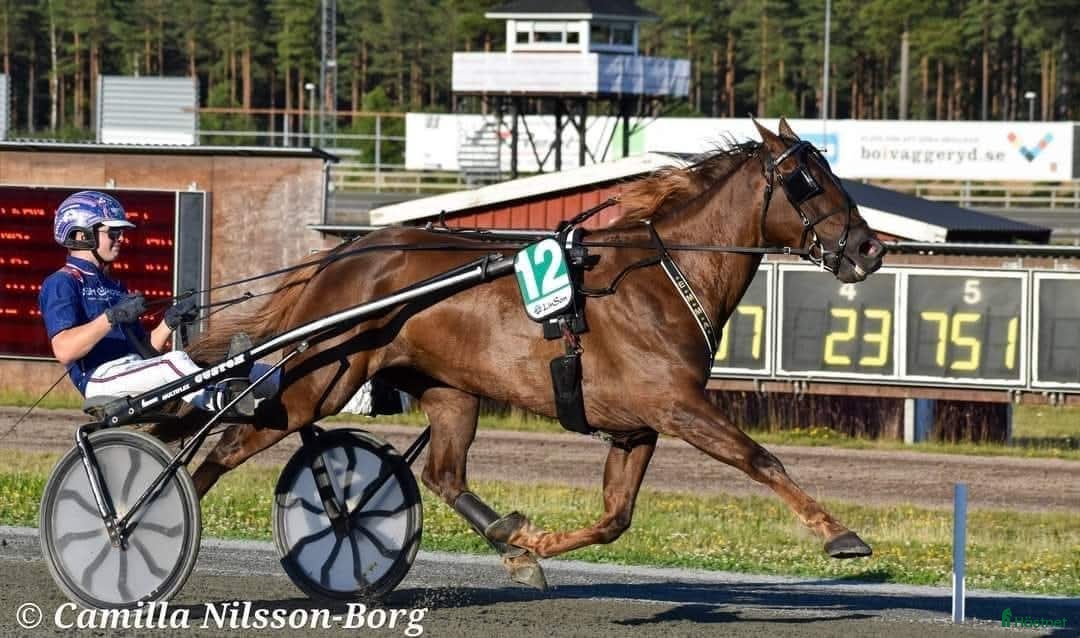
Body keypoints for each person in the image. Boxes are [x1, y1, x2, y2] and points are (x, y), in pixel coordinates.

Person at [39, 190, 264, 416]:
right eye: (113, 232)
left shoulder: (115, 286)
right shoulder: (62, 282)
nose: (121, 238)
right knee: (174, 361)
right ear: (81, 235)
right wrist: (110, 318)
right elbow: (64, 350)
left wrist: (169, 322)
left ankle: (280, 382)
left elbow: (145, 351)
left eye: (121, 232)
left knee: (235, 367)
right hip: (98, 378)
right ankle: (222, 400)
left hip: (132, 368)